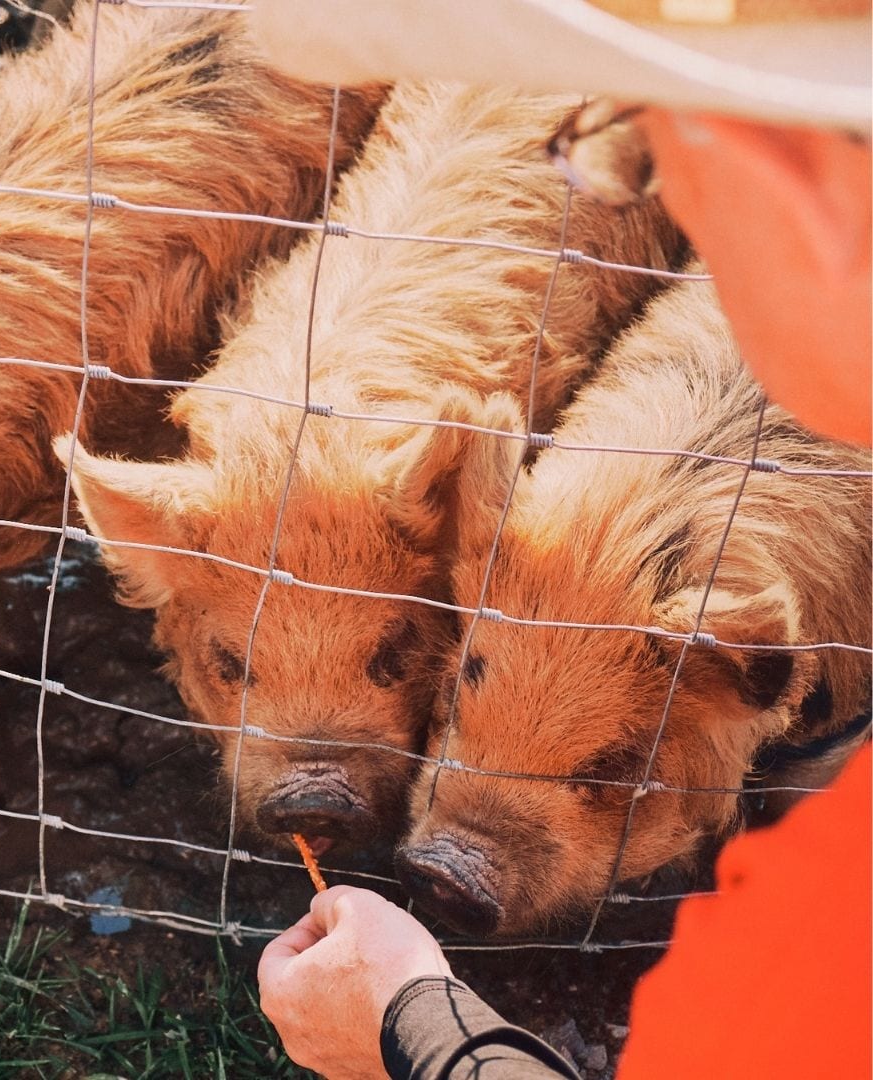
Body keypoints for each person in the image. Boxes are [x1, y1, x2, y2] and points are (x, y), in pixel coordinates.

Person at [251, 2, 872, 1077]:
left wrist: (413, 1032)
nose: (672, 222)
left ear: (788, 179)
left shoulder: (807, 962)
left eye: (631, 153)